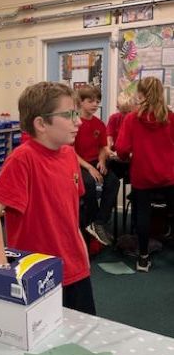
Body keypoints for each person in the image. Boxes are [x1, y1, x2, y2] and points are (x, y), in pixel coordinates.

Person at [0, 82, 95, 315]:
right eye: (69, 115)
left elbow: (70, 214)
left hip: (76, 269)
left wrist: (82, 254)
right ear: (41, 124)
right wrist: (1, 271)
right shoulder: (22, 159)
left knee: (84, 330)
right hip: (38, 274)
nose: (79, 122)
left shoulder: (69, 154)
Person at [115, 77, 174, 272]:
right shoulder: (170, 117)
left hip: (143, 175)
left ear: (140, 94)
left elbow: (122, 150)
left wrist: (128, 155)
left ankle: (142, 259)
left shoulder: (132, 118)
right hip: (169, 175)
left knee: (142, 215)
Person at [74, 85, 120, 246]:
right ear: (80, 102)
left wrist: (101, 161)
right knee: (88, 183)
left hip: (95, 161)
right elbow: (69, 152)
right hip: (78, 163)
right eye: (90, 101)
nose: (95, 104)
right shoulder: (73, 122)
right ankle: (91, 221)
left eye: (97, 101)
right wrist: (89, 167)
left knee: (113, 181)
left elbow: (102, 147)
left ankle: (99, 222)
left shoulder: (99, 124)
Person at [106, 92, 135, 180]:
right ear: (118, 108)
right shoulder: (114, 118)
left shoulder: (136, 120)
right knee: (110, 176)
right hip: (117, 157)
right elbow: (109, 137)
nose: (127, 115)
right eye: (124, 112)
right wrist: (108, 149)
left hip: (132, 158)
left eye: (129, 112)